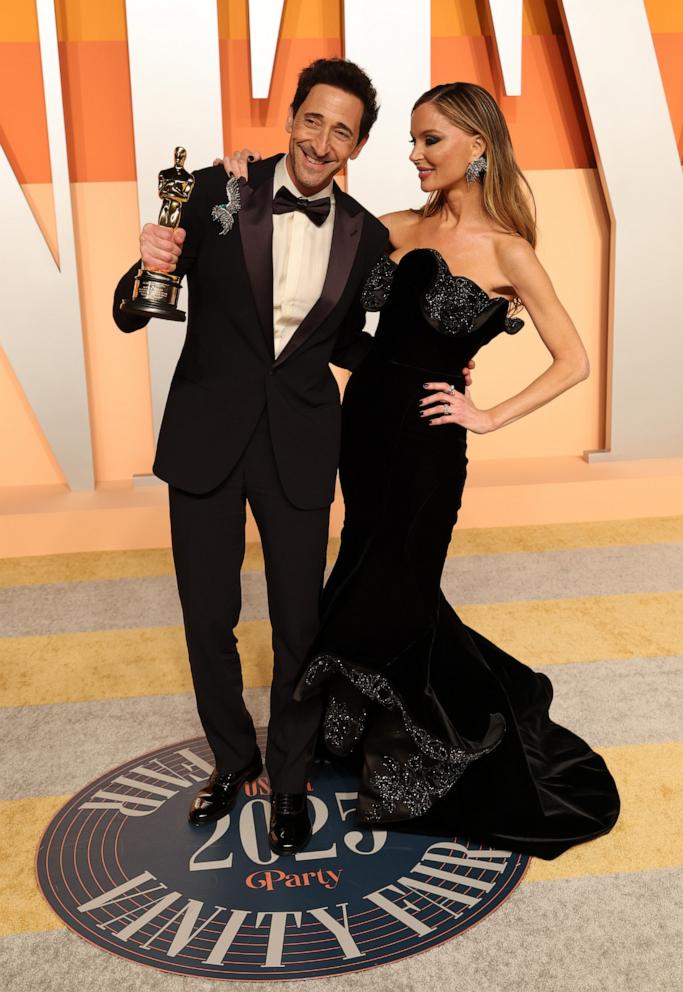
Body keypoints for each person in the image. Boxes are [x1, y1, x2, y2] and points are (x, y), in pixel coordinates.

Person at [224, 81, 620, 859]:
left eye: (429, 140)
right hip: (360, 436)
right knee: (362, 574)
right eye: (409, 139)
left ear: (477, 145)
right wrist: (245, 178)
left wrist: (486, 413)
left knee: (398, 591)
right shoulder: (394, 226)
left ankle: (428, 754)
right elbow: (300, 235)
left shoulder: (509, 250)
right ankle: (362, 735)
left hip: (427, 453)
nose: (412, 154)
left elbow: (572, 360)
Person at [112, 58, 476, 856]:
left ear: (357, 145)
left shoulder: (367, 235)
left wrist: (439, 369)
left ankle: (288, 776)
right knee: (207, 618)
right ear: (290, 118)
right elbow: (134, 312)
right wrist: (149, 264)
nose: (321, 140)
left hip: (303, 444)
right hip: (205, 437)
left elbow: (355, 343)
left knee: (298, 626)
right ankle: (233, 758)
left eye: (341, 130)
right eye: (312, 120)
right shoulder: (215, 190)